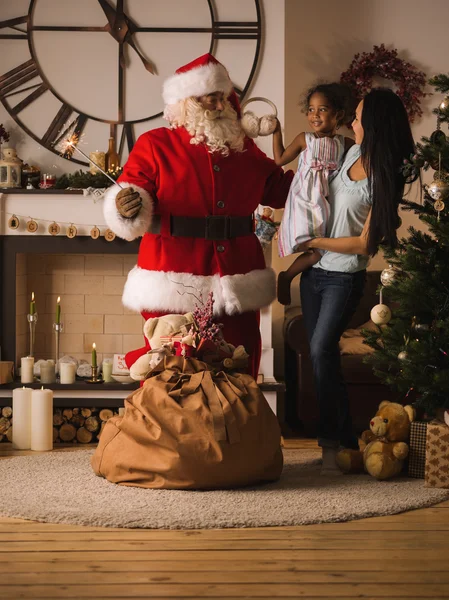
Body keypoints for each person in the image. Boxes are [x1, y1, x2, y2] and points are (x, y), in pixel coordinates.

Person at [103, 53, 293, 379]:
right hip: (172, 274)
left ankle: (235, 429)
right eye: (211, 99)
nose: (221, 106)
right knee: (171, 368)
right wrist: (124, 206)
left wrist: (322, 166)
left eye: (223, 98)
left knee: (238, 364)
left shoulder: (244, 148)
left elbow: (280, 191)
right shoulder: (155, 144)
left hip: (237, 274)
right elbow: (130, 195)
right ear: (187, 102)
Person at [293, 87, 416, 473]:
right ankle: (340, 444)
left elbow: (364, 244)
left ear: (374, 125)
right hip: (314, 271)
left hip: (343, 279)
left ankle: (337, 443)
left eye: (359, 117)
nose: (352, 122)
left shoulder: (383, 176)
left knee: (319, 350)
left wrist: (313, 240)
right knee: (322, 358)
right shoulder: (348, 153)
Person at [274, 83, 356, 305]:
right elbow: (280, 159)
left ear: (337, 114)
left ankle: (287, 276)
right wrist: (276, 132)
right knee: (309, 244)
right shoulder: (305, 139)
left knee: (319, 251)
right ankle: (288, 276)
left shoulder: (346, 143)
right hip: (304, 201)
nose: (315, 115)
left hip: (329, 202)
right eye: (311, 109)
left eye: (322, 109)